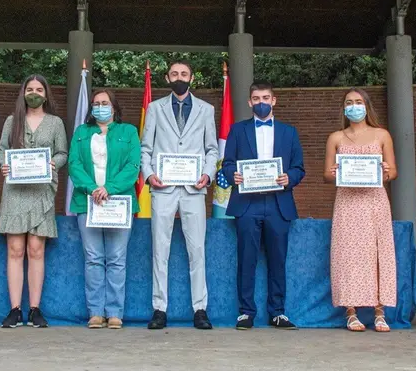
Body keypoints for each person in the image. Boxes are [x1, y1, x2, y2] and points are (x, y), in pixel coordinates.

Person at [140, 60, 219, 330]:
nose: (179, 77)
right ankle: (159, 309)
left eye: (184, 73)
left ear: (192, 78)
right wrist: (149, 175)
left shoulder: (206, 110)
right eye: (174, 73)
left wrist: (207, 174)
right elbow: (145, 148)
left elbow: (212, 149)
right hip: (162, 188)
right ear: (167, 77)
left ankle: (200, 309)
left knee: (196, 250)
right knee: (159, 250)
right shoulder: (154, 108)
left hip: (194, 189)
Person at [220, 82, 305, 330]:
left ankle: (277, 312)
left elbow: (299, 168)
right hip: (247, 204)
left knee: (278, 260)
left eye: (265, 97)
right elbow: (227, 164)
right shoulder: (237, 130)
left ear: (274, 100)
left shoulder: (289, 132)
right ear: (249, 102)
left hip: (279, 204)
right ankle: (246, 312)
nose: (261, 102)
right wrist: (233, 173)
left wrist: (290, 178)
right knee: (246, 259)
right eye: (256, 99)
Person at [0, 75, 69, 328]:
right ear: (23, 92)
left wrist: (53, 163)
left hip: (42, 192)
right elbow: (2, 149)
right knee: (15, 250)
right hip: (15, 192)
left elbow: (62, 153)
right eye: (30, 89)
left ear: (46, 94)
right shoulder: (11, 121)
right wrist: (4, 164)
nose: (34, 93)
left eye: (39, 89)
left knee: (36, 250)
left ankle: (35, 309)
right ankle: (15, 309)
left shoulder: (55, 122)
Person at [324, 89, 397, 332]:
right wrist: (334, 172)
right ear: (343, 108)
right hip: (347, 202)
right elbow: (326, 174)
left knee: (377, 253)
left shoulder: (382, 134)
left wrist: (386, 170)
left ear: (366, 106)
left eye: (358, 102)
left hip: (375, 201)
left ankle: (379, 311)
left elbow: (393, 173)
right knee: (348, 255)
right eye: (348, 103)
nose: (353, 106)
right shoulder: (336, 137)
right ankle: (351, 311)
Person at [68, 89, 142, 328]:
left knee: (117, 259)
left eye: (105, 103)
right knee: (93, 258)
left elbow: (133, 166)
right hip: (87, 202)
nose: (100, 106)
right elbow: (74, 164)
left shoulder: (128, 131)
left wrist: (108, 188)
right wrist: (92, 188)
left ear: (114, 107)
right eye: (96, 103)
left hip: (119, 203)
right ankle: (96, 312)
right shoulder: (81, 132)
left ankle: (115, 312)